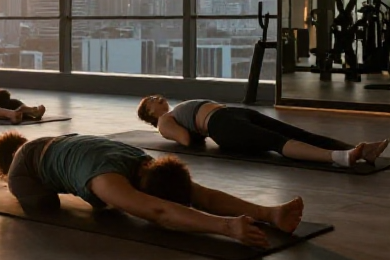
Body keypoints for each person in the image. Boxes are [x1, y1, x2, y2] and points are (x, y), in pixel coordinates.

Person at [0, 131, 304, 247]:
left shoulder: (147, 163)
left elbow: (202, 195)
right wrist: (227, 228)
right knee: (46, 208)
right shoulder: (107, 179)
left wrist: (268, 213)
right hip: (27, 167)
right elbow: (159, 211)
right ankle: (6, 180)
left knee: (108, 208)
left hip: (65, 144)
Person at [136, 96, 389, 167]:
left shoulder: (171, 113)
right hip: (222, 126)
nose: (157, 98)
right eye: (151, 101)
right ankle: (341, 158)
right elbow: (186, 140)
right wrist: (187, 128)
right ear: (151, 114)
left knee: (296, 131)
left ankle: (358, 149)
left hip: (231, 114)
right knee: (278, 141)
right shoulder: (164, 122)